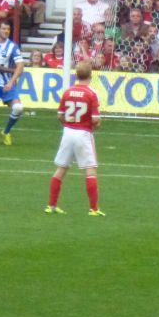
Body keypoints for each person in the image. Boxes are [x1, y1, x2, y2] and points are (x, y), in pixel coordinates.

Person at [46, 62, 104, 216]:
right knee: (90, 169)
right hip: (83, 134)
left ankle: (51, 205)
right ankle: (94, 209)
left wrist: (68, 124)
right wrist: (95, 125)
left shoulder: (68, 91)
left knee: (61, 168)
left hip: (67, 132)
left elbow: (60, 115)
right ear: (90, 75)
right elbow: (96, 119)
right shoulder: (92, 93)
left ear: (76, 75)